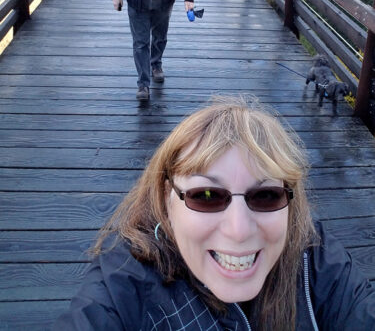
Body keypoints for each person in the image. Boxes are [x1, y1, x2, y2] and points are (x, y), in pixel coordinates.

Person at [54, 97, 375, 330]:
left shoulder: (315, 260)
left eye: (265, 196)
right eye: (206, 196)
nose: (238, 229)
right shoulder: (123, 287)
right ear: (167, 200)